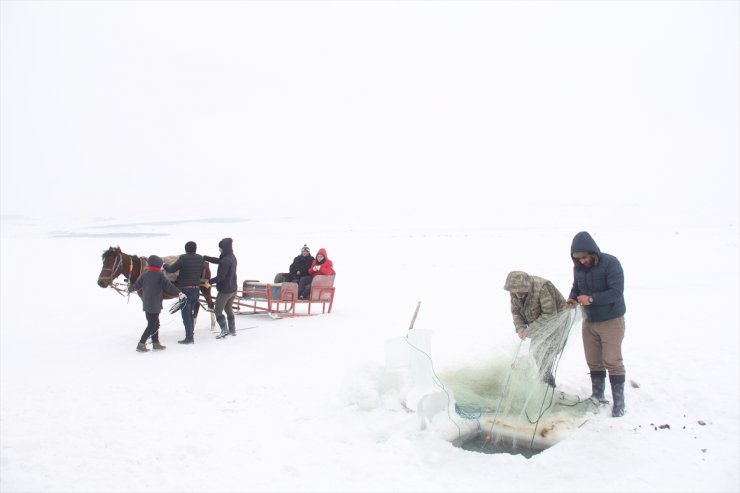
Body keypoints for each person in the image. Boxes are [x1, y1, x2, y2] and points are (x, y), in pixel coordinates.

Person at [566, 231, 627, 417]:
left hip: (611, 320)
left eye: (584, 257)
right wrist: (572, 299)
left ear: (592, 252)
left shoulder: (611, 263)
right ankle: (598, 395)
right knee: (594, 361)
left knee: (612, 361)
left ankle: (619, 403)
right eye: (578, 259)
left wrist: (591, 299)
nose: (582, 261)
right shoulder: (578, 269)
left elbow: (616, 292)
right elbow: (576, 288)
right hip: (589, 321)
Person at [503, 271, 567, 388]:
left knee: (544, 352)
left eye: (521, 290)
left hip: (557, 321)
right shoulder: (514, 292)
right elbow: (516, 312)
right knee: (537, 352)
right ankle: (545, 380)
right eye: (515, 290)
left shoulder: (542, 287)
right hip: (538, 322)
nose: (518, 293)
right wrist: (520, 328)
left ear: (527, 286)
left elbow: (550, 314)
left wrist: (530, 330)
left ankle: (548, 383)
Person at [128, 255, 185, 353]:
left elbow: (136, 285)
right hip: (155, 305)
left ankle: (155, 343)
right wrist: (179, 293)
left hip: (146, 304)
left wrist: (129, 289)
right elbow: (169, 286)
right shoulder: (160, 276)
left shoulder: (145, 274)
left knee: (155, 323)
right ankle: (141, 344)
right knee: (152, 325)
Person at [163, 241, 203, 344]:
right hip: (196, 290)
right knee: (189, 314)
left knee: (186, 315)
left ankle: (189, 338)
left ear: (186, 250)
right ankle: (190, 335)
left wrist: (165, 265)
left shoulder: (183, 258)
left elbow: (171, 269)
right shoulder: (200, 258)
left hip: (185, 290)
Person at [203, 237, 238, 338]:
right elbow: (219, 261)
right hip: (233, 289)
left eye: (220, 248)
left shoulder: (226, 260)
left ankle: (224, 330)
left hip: (225, 290)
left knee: (218, 310)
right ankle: (232, 330)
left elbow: (221, 277)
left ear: (225, 248)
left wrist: (208, 282)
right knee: (228, 308)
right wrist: (205, 257)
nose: (219, 250)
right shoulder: (231, 256)